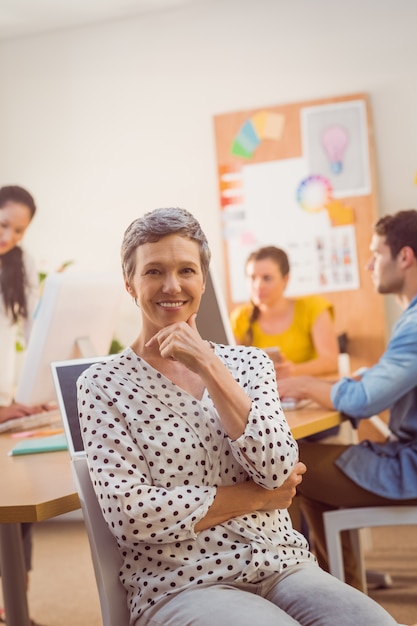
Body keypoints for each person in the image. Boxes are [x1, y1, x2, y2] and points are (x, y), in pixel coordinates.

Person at [77, 207, 397, 626]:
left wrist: (211, 368)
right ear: (130, 284)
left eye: (186, 270)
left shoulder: (248, 364)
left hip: (282, 563)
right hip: (183, 582)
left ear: (203, 281)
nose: (171, 285)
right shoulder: (101, 384)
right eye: (153, 271)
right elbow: (130, 515)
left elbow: (278, 468)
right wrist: (256, 499)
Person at [278, 209, 417, 589]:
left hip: (411, 469)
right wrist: (360, 377)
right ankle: (343, 593)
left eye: (376, 253)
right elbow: (391, 375)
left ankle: (295, 589)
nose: (370, 263)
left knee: (289, 466)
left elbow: (363, 400)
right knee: (311, 475)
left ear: (404, 257)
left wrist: (304, 387)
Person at [0, 184, 46, 619]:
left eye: (18, 230)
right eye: (2, 224)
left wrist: (32, 394)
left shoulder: (18, 265)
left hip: (5, 404)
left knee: (17, 506)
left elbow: (37, 334)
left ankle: (18, 607)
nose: (8, 236)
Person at [230, 246, 339, 379]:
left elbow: (331, 362)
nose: (258, 285)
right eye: (252, 278)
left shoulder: (313, 307)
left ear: (285, 280)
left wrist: (293, 370)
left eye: (267, 278)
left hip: (306, 393)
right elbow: (231, 367)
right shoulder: (239, 317)